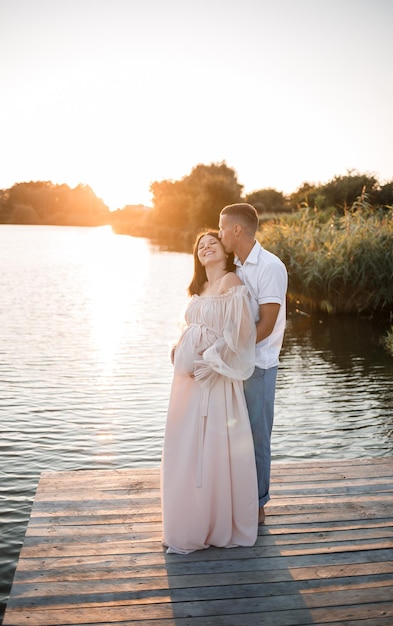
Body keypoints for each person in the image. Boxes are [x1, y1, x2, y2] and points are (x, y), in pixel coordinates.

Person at [161, 230, 258, 554]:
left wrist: (214, 364)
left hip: (215, 380)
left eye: (212, 243)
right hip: (188, 384)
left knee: (214, 445)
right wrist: (179, 346)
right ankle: (191, 516)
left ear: (224, 251)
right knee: (188, 446)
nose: (205, 248)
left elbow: (241, 334)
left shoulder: (232, 283)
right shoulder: (199, 288)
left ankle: (217, 521)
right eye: (200, 246)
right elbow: (191, 327)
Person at [218, 204, 288, 525]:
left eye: (221, 228)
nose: (218, 235)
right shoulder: (235, 267)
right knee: (235, 436)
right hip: (237, 366)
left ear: (236, 230)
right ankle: (238, 497)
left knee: (258, 436)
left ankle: (258, 506)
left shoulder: (270, 267)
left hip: (259, 366)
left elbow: (268, 324)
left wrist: (236, 351)